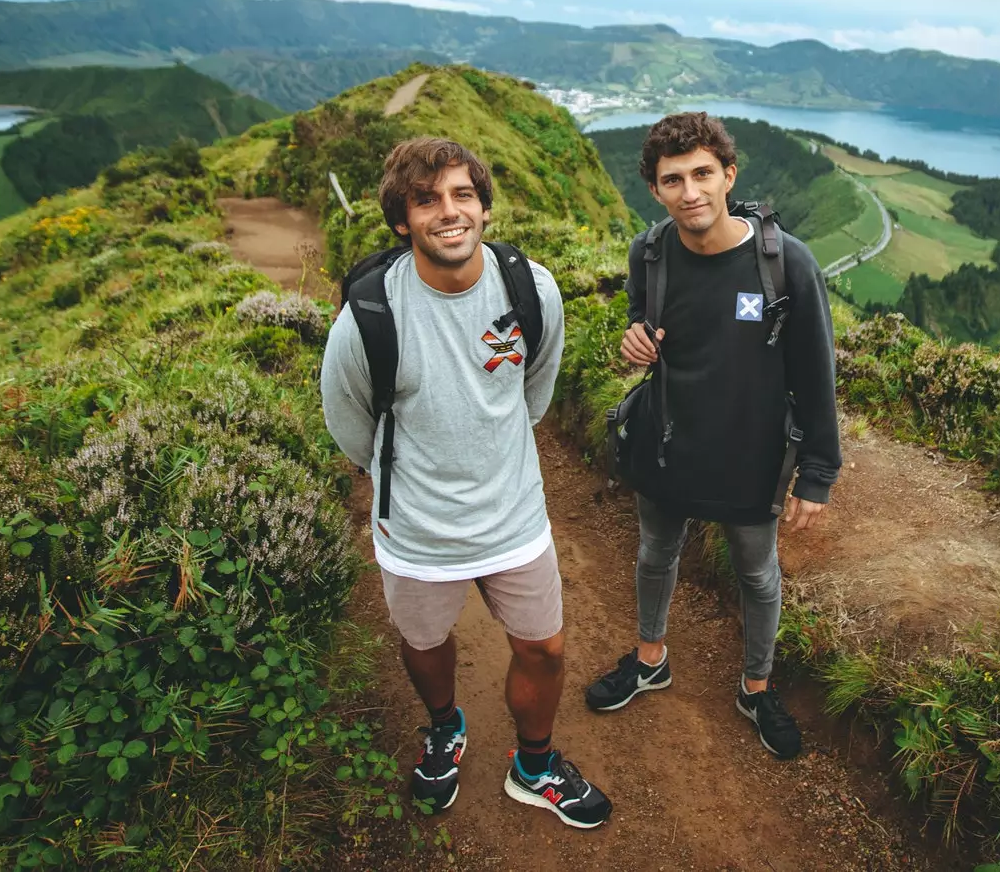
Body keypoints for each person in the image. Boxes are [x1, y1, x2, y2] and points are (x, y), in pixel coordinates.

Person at [321, 136, 612, 829]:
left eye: (462, 194)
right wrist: (409, 478)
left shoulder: (529, 288)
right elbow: (350, 426)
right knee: (424, 645)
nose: (448, 212)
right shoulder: (368, 318)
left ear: (484, 207)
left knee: (544, 647)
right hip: (417, 528)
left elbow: (534, 388)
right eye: (426, 200)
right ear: (402, 221)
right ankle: (445, 727)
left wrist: (493, 446)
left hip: (514, 516)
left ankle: (534, 768)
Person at [584, 112, 841, 759]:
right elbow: (644, 330)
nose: (690, 191)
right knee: (653, 553)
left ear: (729, 175)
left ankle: (756, 687)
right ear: (655, 189)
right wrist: (633, 343)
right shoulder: (648, 253)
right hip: (666, 442)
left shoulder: (784, 262)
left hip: (750, 456)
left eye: (703, 174)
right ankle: (650, 659)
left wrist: (818, 473)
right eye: (674, 179)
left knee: (757, 575)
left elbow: (816, 370)